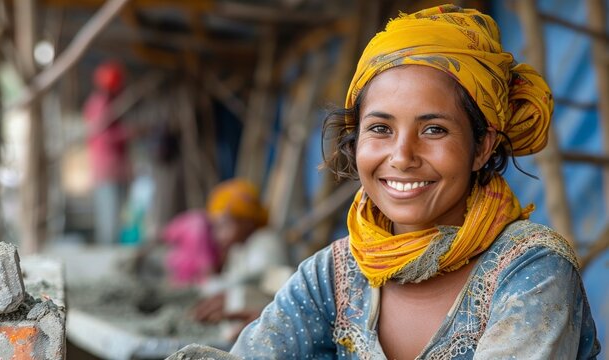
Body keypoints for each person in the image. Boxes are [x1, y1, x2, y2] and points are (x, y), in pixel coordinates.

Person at [229, 5, 600, 359]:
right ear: (355, 140)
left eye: (434, 129)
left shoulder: (532, 268)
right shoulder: (332, 276)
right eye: (380, 128)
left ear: (482, 147)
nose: (402, 156)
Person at [193, 179, 291, 331]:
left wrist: (223, 290)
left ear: (247, 222)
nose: (219, 235)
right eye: (216, 227)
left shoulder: (266, 241)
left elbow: (262, 280)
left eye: (225, 225)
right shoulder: (238, 249)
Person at [83, 60, 132, 245]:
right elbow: (101, 136)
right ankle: (108, 250)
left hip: (115, 168)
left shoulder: (109, 103)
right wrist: (128, 133)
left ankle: (112, 247)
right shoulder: (100, 105)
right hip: (106, 168)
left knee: (117, 212)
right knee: (109, 214)